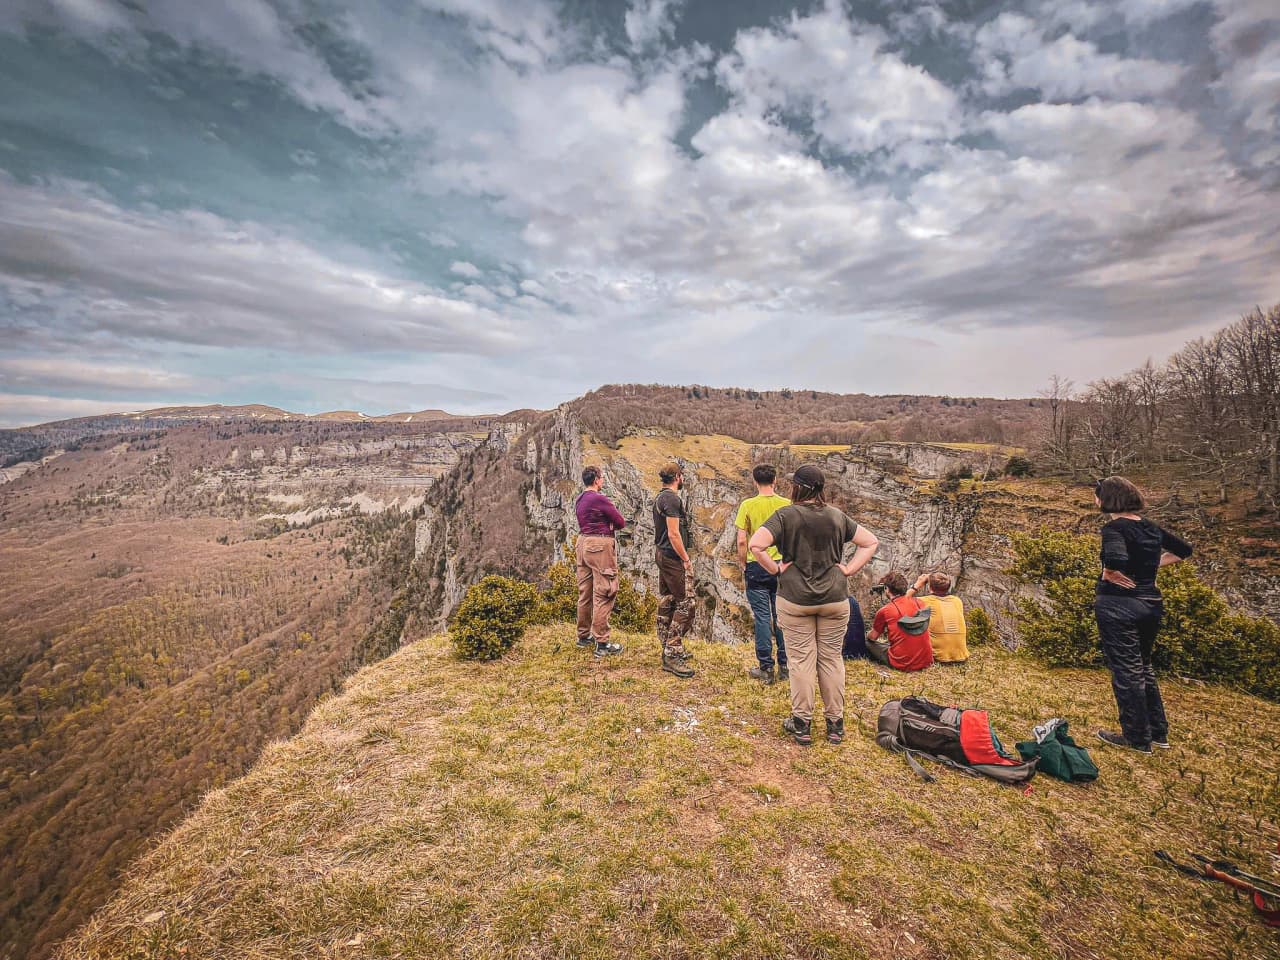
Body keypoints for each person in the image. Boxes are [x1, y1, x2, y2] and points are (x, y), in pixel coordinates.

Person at [748, 464, 879, 746]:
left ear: (797, 487)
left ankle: (802, 724)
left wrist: (776, 569)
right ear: (821, 488)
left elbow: (756, 545)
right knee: (831, 659)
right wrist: (849, 569)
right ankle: (835, 725)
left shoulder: (785, 516)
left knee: (801, 661)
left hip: (795, 598)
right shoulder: (836, 517)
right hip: (834, 598)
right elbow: (870, 542)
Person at [1093, 476, 1192, 753]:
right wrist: (1151, 567)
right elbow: (1184, 550)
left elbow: (1115, 559)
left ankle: (1136, 738)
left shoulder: (1114, 528)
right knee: (1144, 667)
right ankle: (1158, 734)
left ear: (1108, 499)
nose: (1095, 500)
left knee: (1126, 671)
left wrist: (1110, 573)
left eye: (1097, 495)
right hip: (1150, 603)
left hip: (1119, 605)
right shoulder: (1149, 527)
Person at [734, 464, 791, 684]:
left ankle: (766, 668)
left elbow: (741, 540)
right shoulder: (786, 505)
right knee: (782, 618)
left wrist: (743, 563)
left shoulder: (747, 505)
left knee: (762, 617)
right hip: (781, 566)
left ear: (755, 482)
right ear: (775, 480)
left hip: (757, 565)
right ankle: (785, 667)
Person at [574, 465, 626, 657]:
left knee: (585, 592)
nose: (602, 481)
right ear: (596, 479)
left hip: (582, 543)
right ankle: (602, 644)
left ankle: (583, 636)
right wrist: (608, 524)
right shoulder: (600, 498)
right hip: (600, 545)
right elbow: (620, 522)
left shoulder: (579, 499)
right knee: (605, 591)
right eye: (602, 478)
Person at [653, 462, 696, 679]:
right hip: (672, 557)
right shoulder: (671, 499)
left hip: (663, 554)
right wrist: (685, 559)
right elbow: (673, 533)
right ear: (678, 476)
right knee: (687, 603)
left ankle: (666, 644)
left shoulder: (661, 496)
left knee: (669, 599)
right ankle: (672, 651)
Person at [867, 572, 935, 672]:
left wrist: (867, 634)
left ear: (886, 589)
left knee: (867, 642)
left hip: (901, 663)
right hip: (926, 661)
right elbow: (905, 600)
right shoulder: (920, 603)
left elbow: (873, 637)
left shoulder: (885, 611)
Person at [908, 573, 968, 664]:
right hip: (961, 657)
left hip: (938, 658)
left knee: (910, 622)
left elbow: (901, 602)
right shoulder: (957, 601)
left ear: (930, 587)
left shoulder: (924, 601)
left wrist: (918, 584)